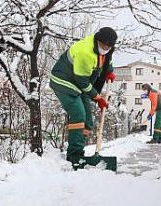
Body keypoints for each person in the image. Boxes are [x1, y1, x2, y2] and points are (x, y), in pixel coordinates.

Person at [49, 27, 117, 165]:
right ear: (98, 41)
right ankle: (74, 155)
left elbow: (106, 59)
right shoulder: (85, 52)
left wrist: (109, 71)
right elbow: (82, 81)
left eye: (108, 47)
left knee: (88, 121)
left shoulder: (105, 49)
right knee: (78, 114)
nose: (105, 49)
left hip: (79, 83)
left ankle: (80, 149)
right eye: (103, 46)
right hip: (63, 81)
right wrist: (97, 97)